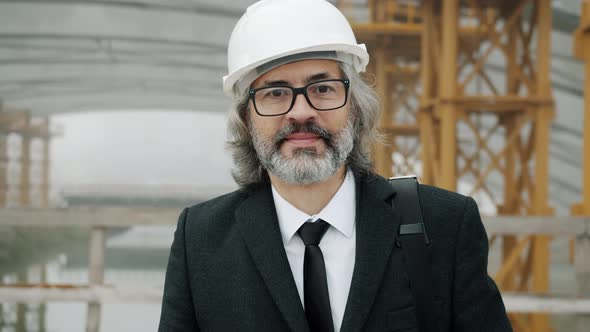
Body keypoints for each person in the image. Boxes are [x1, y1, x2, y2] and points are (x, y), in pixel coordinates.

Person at [158, 0, 512, 331]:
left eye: (323, 89)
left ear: (354, 108)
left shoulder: (445, 225)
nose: (300, 112)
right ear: (246, 118)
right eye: (275, 93)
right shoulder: (200, 240)